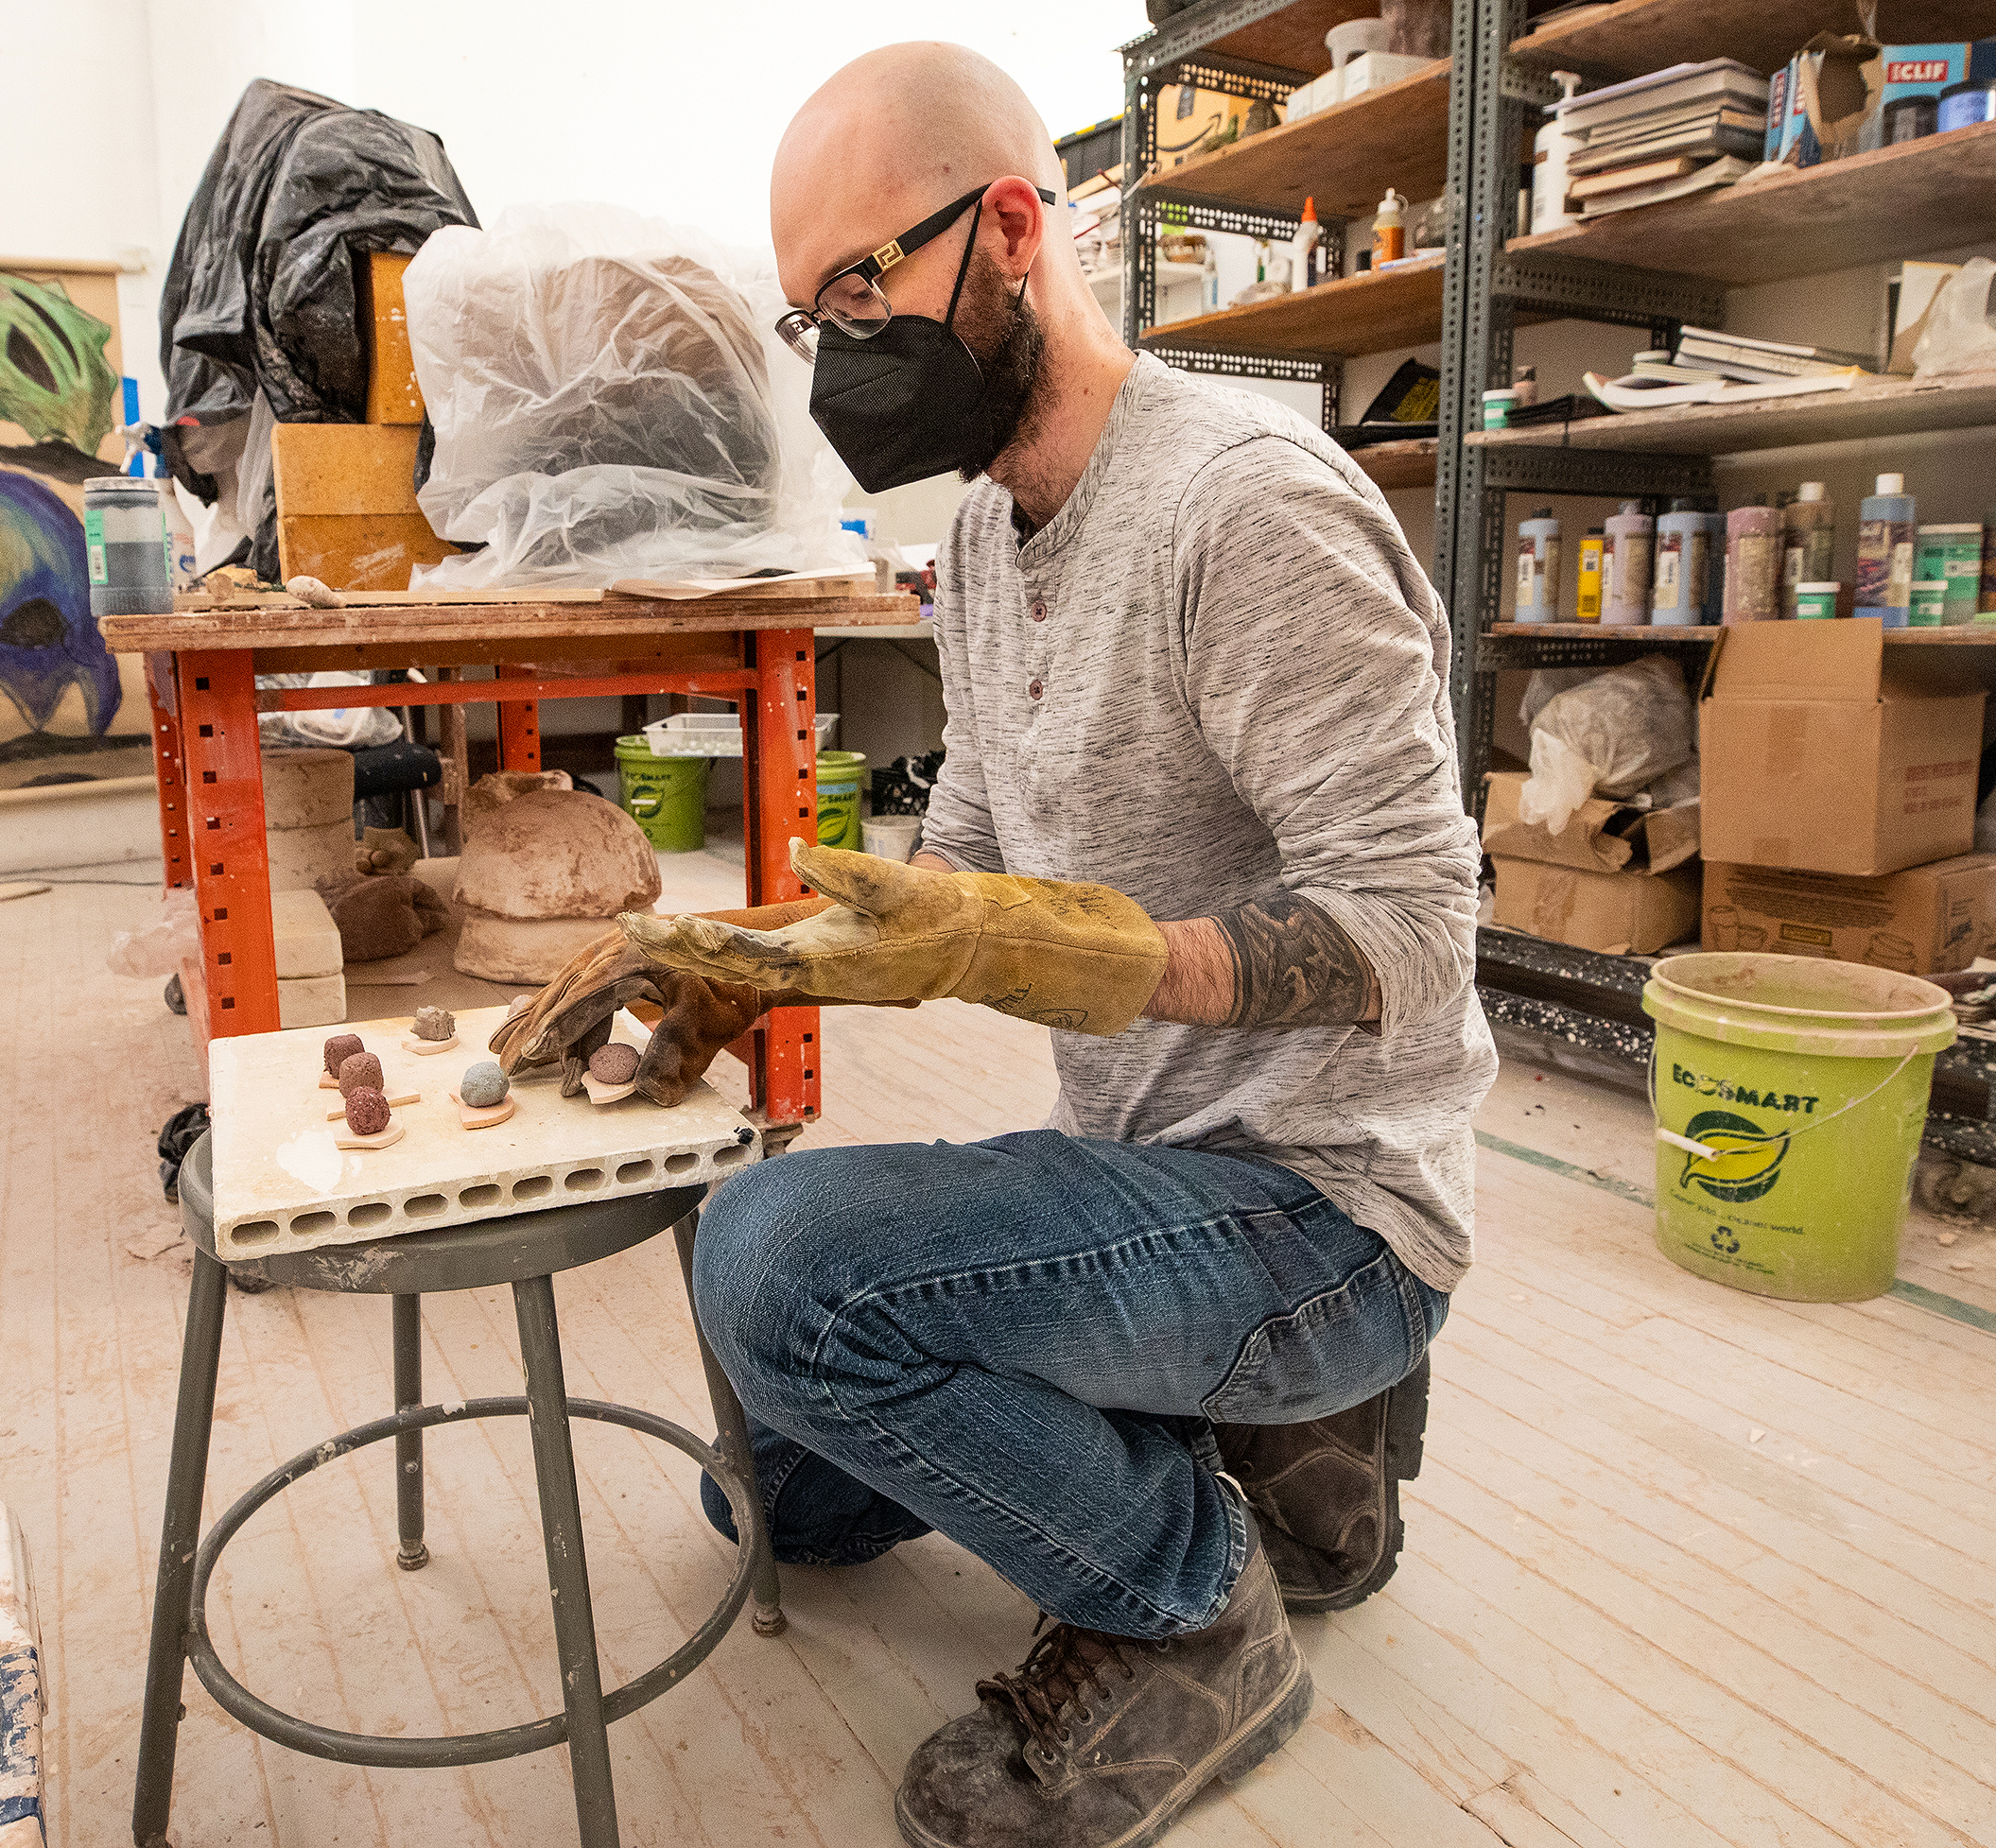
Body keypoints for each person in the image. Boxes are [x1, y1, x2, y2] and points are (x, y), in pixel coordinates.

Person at [494, 41, 1493, 1848]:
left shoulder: (1242, 509)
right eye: (815, 314)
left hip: (1327, 1210)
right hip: (1149, 1169)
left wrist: (1076, 954)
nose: (844, 346)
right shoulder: (977, 529)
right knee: (772, 1492)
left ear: (1013, 228)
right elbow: (952, 865)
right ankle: (1253, 1446)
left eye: (865, 284)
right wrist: (736, 960)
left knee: (783, 1266)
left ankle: (1191, 1598)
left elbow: (1421, 930)